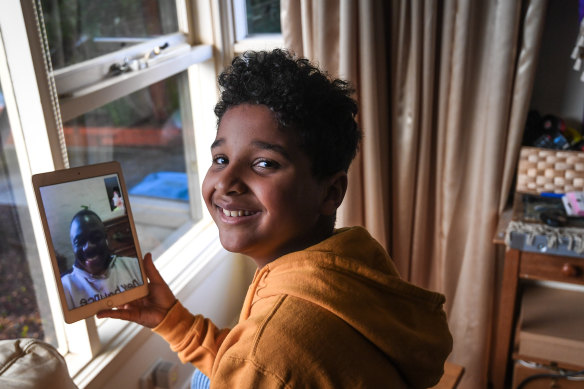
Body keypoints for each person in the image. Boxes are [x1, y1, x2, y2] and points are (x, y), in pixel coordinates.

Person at [97, 49, 453, 388]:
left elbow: (262, 366)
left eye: (265, 163)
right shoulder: (351, 258)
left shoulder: (269, 350)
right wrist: (169, 319)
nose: (226, 181)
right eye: (221, 159)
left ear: (330, 193)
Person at [61, 209, 142, 309]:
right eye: (80, 241)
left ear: (106, 237)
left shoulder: (134, 266)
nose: (88, 247)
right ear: (73, 247)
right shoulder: (65, 288)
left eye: (96, 237)